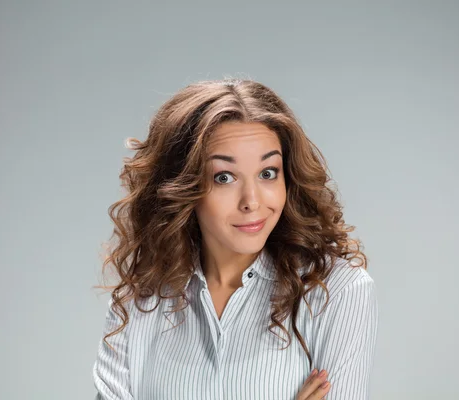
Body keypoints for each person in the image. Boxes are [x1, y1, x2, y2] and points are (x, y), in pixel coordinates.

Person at [92, 78, 378, 399]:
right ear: (183, 187)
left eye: (268, 173)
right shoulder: (138, 305)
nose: (252, 201)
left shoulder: (336, 292)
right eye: (224, 177)